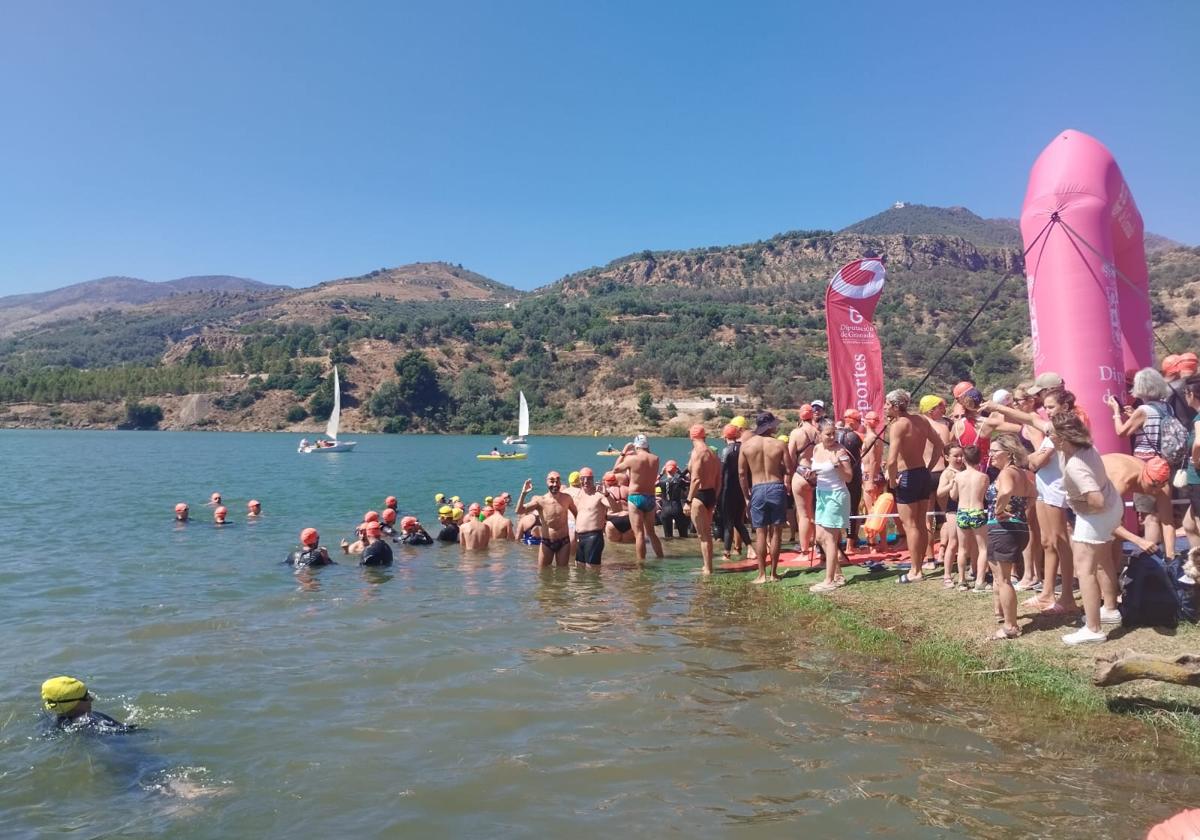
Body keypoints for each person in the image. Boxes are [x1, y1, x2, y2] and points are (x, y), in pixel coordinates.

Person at [1053, 410, 1123, 644]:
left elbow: (1096, 501)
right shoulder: (1086, 447)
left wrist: (1079, 507)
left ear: (1062, 439)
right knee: (1103, 561)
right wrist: (999, 409)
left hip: (1097, 515)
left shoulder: (1075, 465)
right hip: (1114, 506)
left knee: (1085, 570)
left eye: (1053, 435)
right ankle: (1110, 609)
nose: (1050, 438)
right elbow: (1034, 421)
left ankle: (1093, 629)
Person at [885, 389, 940, 582]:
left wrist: (892, 482)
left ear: (894, 406)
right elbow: (939, 445)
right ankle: (920, 566)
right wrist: (929, 467)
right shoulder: (921, 420)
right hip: (922, 473)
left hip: (906, 475)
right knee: (920, 522)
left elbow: (891, 461)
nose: (885, 408)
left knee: (910, 525)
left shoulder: (898, 425)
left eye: (886, 404)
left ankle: (915, 570)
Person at [985, 435, 1035, 639]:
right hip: (1018, 527)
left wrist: (999, 509)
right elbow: (1034, 493)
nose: (991, 455)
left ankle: (1010, 626)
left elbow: (1005, 491)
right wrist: (1022, 510)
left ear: (1009, 452)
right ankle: (1003, 613)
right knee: (1000, 577)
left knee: (1004, 579)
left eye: (995, 451)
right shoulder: (1022, 474)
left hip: (1002, 528)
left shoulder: (1007, 472)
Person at [739, 411, 796, 583]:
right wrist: (786, 483)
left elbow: (742, 474)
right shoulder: (779, 444)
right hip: (776, 486)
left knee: (761, 532)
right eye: (775, 425)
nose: (777, 427)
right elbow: (789, 469)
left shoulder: (746, 446)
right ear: (770, 426)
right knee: (776, 532)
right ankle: (773, 574)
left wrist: (746, 496)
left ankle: (761, 575)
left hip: (757, 488)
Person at [809, 420, 854, 593]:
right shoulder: (817, 448)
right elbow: (819, 473)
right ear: (819, 434)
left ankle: (829, 580)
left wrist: (837, 465)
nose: (832, 437)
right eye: (828, 434)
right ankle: (838, 575)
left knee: (829, 538)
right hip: (821, 494)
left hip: (837, 495)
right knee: (820, 538)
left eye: (834, 433)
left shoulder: (840, 450)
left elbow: (849, 477)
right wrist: (811, 474)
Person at [613, 435, 664, 561]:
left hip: (636, 497)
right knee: (651, 533)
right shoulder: (655, 459)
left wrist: (624, 452)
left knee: (639, 534)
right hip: (651, 498)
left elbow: (615, 469)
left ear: (636, 446)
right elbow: (647, 456)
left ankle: (641, 564)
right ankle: (661, 558)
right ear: (647, 446)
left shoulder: (631, 459)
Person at [920, 394, 954, 569]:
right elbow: (948, 454)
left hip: (926, 473)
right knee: (947, 516)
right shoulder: (943, 428)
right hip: (941, 472)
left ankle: (930, 559)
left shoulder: (918, 427)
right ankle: (943, 552)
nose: (943, 410)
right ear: (931, 410)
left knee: (927, 518)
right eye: (940, 407)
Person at [517, 473, 578, 566]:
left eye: (557, 481)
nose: (555, 484)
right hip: (547, 542)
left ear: (560, 482)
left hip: (564, 542)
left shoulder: (567, 498)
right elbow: (519, 511)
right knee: (543, 575)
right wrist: (523, 494)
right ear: (547, 482)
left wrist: (579, 533)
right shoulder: (540, 500)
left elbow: (577, 515)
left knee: (562, 575)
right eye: (552, 481)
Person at [952, 445, 991, 592]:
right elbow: (986, 495)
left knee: (962, 549)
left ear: (964, 459)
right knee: (983, 548)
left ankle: (961, 581)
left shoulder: (958, 476)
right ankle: (980, 581)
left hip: (962, 511)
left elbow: (953, 496)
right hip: (977, 511)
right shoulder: (983, 477)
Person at [684, 424, 721, 574]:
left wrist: (688, 501)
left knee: (703, 535)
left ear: (691, 436)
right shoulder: (712, 453)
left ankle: (708, 569)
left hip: (699, 495)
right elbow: (719, 478)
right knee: (707, 534)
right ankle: (707, 566)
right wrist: (716, 497)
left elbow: (696, 479)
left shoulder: (697, 452)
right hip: (711, 494)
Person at [41, 676, 135, 733]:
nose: (91, 699)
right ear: (74, 703)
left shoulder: (49, 719)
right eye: (86, 696)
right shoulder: (93, 723)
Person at [717, 423, 754, 562]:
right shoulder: (744, 448)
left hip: (727, 490)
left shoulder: (726, 451)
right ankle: (750, 548)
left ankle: (726, 553)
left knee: (728, 523)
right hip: (741, 488)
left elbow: (722, 473)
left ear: (725, 437)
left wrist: (717, 492)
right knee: (739, 521)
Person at [788, 404, 819, 553]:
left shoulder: (796, 433)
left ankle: (805, 549)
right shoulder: (819, 432)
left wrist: (787, 477)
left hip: (801, 472)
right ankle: (817, 544)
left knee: (803, 514)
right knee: (816, 512)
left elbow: (789, 456)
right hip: (816, 473)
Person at [936, 444, 964, 587]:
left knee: (966, 543)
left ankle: (968, 572)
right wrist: (952, 483)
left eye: (961, 455)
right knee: (953, 542)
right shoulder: (947, 473)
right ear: (947, 458)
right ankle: (947, 575)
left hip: (966, 507)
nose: (960, 458)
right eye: (956, 456)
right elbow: (939, 493)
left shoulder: (965, 470)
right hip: (953, 509)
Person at [574, 468, 612, 568]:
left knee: (592, 573)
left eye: (589, 479)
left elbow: (616, 508)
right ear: (579, 480)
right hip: (580, 538)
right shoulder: (577, 495)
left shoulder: (599, 495)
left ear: (593, 479)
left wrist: (607, 494)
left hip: (593, 537)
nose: (586, 481)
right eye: (583, 479)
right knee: (579, 569)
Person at [657, 460, 690, 539]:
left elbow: (652, 483)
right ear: (676, 470)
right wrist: (680, 473)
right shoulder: (679, 481)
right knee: (684, 536)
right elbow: (690, 482)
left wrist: (661, 474)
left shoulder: (661, 482)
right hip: (677, 509)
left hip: (665, 510)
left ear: (665, 469)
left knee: (668, 538)